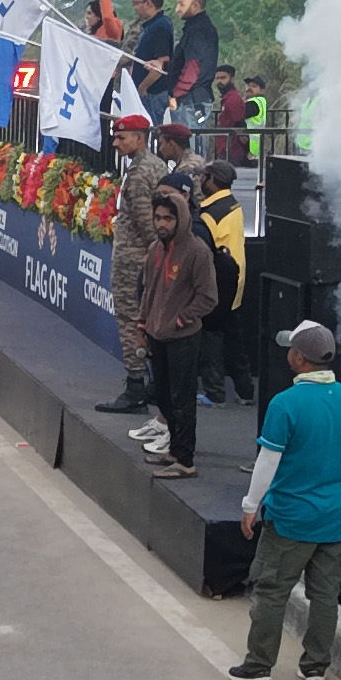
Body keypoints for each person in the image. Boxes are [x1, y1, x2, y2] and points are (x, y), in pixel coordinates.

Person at [230, 321, 341, 680]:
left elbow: (267, 461)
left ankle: (258, 667)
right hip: (334, 518)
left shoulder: (285, 403)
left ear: (299, 358)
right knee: (326, 596)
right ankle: (315, 666)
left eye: (291, 348)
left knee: (271, 593)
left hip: (290, 518)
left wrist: (250, 505)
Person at [139, 191, 218, 480]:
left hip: (183, 338)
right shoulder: (155, 249)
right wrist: (142, 325)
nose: (162, 223)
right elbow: (148, 290)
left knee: (182, 400)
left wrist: (182, 319)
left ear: (181, 219)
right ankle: (173, 449)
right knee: (163, 396)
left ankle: (185, 461)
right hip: (157, 334)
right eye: (158, 217)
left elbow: (208, 298)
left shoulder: (197, 252)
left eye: (168, 218)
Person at [96, 115, 166, 413]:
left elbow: (145, 222)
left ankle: (135, 387)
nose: (115, 143)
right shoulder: (156, 165)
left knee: (129, 322)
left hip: (133, 261)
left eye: (121, 137)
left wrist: (156, 254)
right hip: (146, 259)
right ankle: (154, 386)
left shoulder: (138, 173)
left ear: (139, 138)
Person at [193, 162, 253, 405]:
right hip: (236, 280)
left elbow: (203, 250)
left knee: (211, 338)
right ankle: (245, 391)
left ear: (213, 179)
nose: (200, 181)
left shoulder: (209, 214)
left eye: (204, 177)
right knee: (234, 339)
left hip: (217, 281)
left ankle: (214, 393)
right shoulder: (233, 205)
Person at [164, 0, 220, 128]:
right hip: (195, 98)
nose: (177, 9)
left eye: (181, 4)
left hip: (191, 101)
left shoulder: (198, 31)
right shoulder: (199, 28)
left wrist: (176, 95)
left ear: (195, 5)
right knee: (192, 138)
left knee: (187, 139)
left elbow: (193, 67)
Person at [212, 66, 250, 164]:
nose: (219, 81)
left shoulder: (233, 99)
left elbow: (240, 124)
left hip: (231, 151)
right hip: (224, 148)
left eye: (223, 78)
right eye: (217, 78)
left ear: (232, 79)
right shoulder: (227, 98)